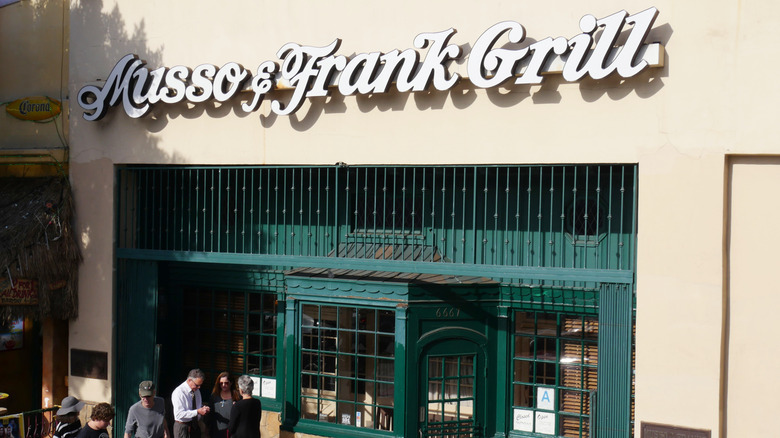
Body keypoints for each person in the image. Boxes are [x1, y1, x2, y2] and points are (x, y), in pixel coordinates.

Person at [171, 369, 210, 438]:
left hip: (194, 426)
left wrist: (203, 408)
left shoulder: (196, 390)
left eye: (200, 385)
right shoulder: (179, 392)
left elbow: (196, 406)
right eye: (197, 385)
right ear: (189, 380)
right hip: (182, 427)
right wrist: (198, 411)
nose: (199, 387)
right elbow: (179, 414)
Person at [207, 372, 239, 438]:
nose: (223, 385)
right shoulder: (214, 397)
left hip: (231, 432)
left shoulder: (237, 397)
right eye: (221, 383)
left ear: (231, 383)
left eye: (226, 383)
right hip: (216, 431)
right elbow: (210, 414)